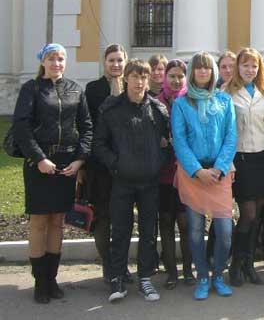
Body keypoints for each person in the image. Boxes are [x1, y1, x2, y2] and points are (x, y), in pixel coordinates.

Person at [12, 43, 92, 303]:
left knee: (58, 221)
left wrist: (79, 160)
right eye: (51, 58)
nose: (56, 63)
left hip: (66, 164)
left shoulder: (75, 89)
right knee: (39, 222)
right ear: (42, 62)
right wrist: (39, 159)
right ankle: (39, 282)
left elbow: (87, 127)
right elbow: (21, 127)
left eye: (60, 58)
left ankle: (52, 278)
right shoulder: (31, 89)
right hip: (39, 164)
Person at [94, 59, 171, 303]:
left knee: (149, 231)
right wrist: (116, 164)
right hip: (123, 181)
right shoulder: (112, 109)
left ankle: (145, 278)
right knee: (121, 230)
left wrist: (158, 161)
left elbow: (168, 143)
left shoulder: (158, 110)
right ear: (126, 78)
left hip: (149, 182)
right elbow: (99, 144)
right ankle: (117, 277)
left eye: (144, 77)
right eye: (135, 77)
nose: (139, 82)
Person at [171, 52, 237, 300]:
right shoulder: (181, 104)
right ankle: (202, 277)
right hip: (193, 173)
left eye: (207, 68)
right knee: (196, 231)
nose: (202, 72)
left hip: (220, 173)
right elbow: (179, 140)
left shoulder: (223, 100)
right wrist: (197, 170)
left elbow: (231, 137)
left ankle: (218, 274)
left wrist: (219, 168)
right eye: (198, 68)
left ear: (213, 72)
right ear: (192, 72)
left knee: (224, 230)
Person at [225, 48, 264, 287]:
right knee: (247, 214)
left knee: (257, 216)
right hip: (241, 160)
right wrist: (229, 163)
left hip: (262, 159)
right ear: (238, 67)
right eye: (245, 65)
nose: (250, 70)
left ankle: (249, 264)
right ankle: (235, 263)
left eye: (254, 66)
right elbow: (225, 133)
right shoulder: (227, 93)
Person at [84, 43, 127, 284]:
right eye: (112, 60)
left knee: (122, 217)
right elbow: (88, 126)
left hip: (127, 165)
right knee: (103, 216)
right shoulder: (93, 89)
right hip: (100, 165)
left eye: (120, 60)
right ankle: (108, 266)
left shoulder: (131, 87)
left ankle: (121, 266)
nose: (116, 64)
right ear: (104, 62)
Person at [156, 59, 194, 289]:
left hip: (185, 172)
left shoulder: (189, 101)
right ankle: (171, 271)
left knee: (185, 222)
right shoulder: (155, 102)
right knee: (166, 222)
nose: (176, 79)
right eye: (172, 75)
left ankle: (188, 270)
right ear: (164, 77)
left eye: (180, 76)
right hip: (162, 173)